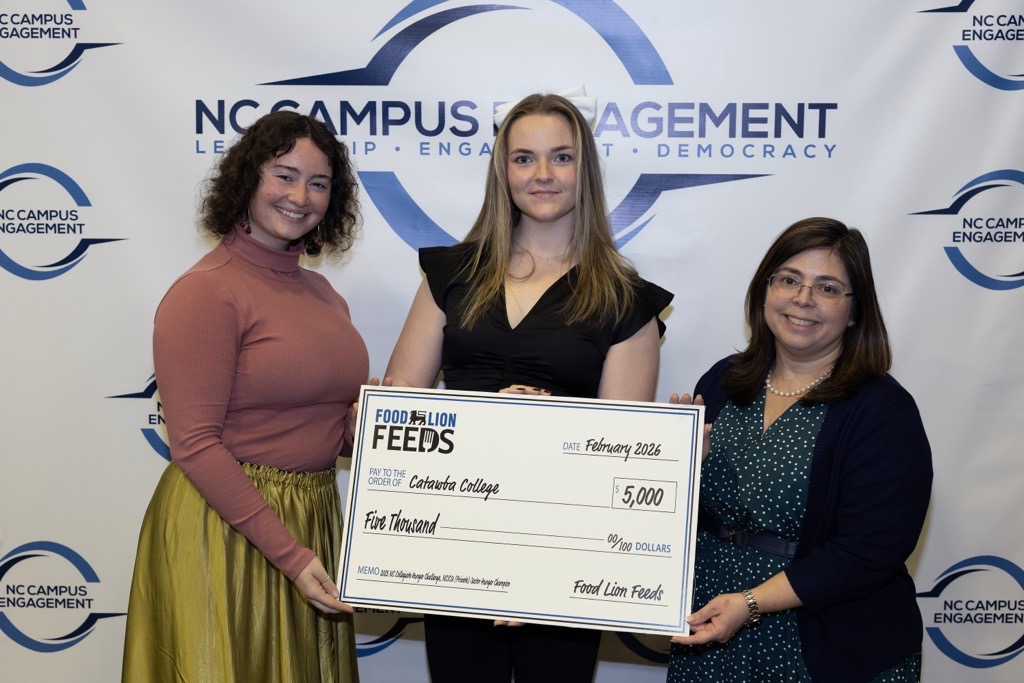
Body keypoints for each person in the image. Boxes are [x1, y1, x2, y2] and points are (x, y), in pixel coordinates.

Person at [383, 92, 673, 682]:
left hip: (564, 563)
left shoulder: (627, 301)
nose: (542, 175)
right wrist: (489, 420)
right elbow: (399, 412)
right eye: (524, 159)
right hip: (456, 551)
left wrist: (533, 571)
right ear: (502, 172)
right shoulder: (451, 274)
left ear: (583, 171)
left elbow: (618, 458)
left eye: (561, 158)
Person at [122, 111, 365, 682]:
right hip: (226, 533)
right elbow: (196, 445)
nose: (300, 196)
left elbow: (327, 427)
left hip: (312, 517)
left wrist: (394, 424)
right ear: (247, 181)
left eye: (319, 183)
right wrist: (290, 555)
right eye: (283, 175)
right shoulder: (206, 292)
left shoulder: (324, 292)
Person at [668, 217, 932, 682]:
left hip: (825, 639)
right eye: (789, 280)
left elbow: (869, 549)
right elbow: (690, 510)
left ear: (854, 311)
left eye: (827, 288)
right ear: (764, 291)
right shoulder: (724, 382)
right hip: (712, 620)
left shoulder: (883, 410)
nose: (802, 299)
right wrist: (678, 466)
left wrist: (751, 602)